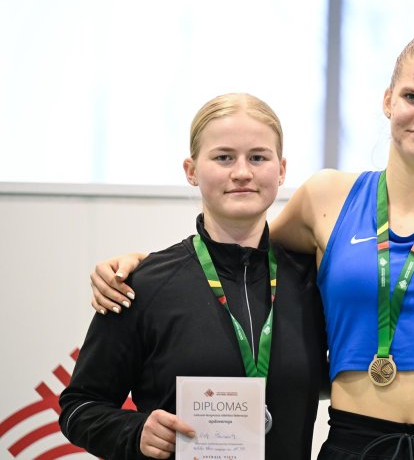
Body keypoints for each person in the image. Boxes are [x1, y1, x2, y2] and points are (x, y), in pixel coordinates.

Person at [85, 32, 414, 459]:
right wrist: (145, 265)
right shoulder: (324, 199)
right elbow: (242, 256)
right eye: (413, 97)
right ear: (388, 100)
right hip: (355, 439)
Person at [60, 93, 328, 459]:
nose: (242, 172)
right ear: (191, 170)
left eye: (258, 157)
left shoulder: (312, 282)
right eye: (223, 157)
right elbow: (79, 406)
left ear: (280, 170)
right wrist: (136, 433)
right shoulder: (144, 285)